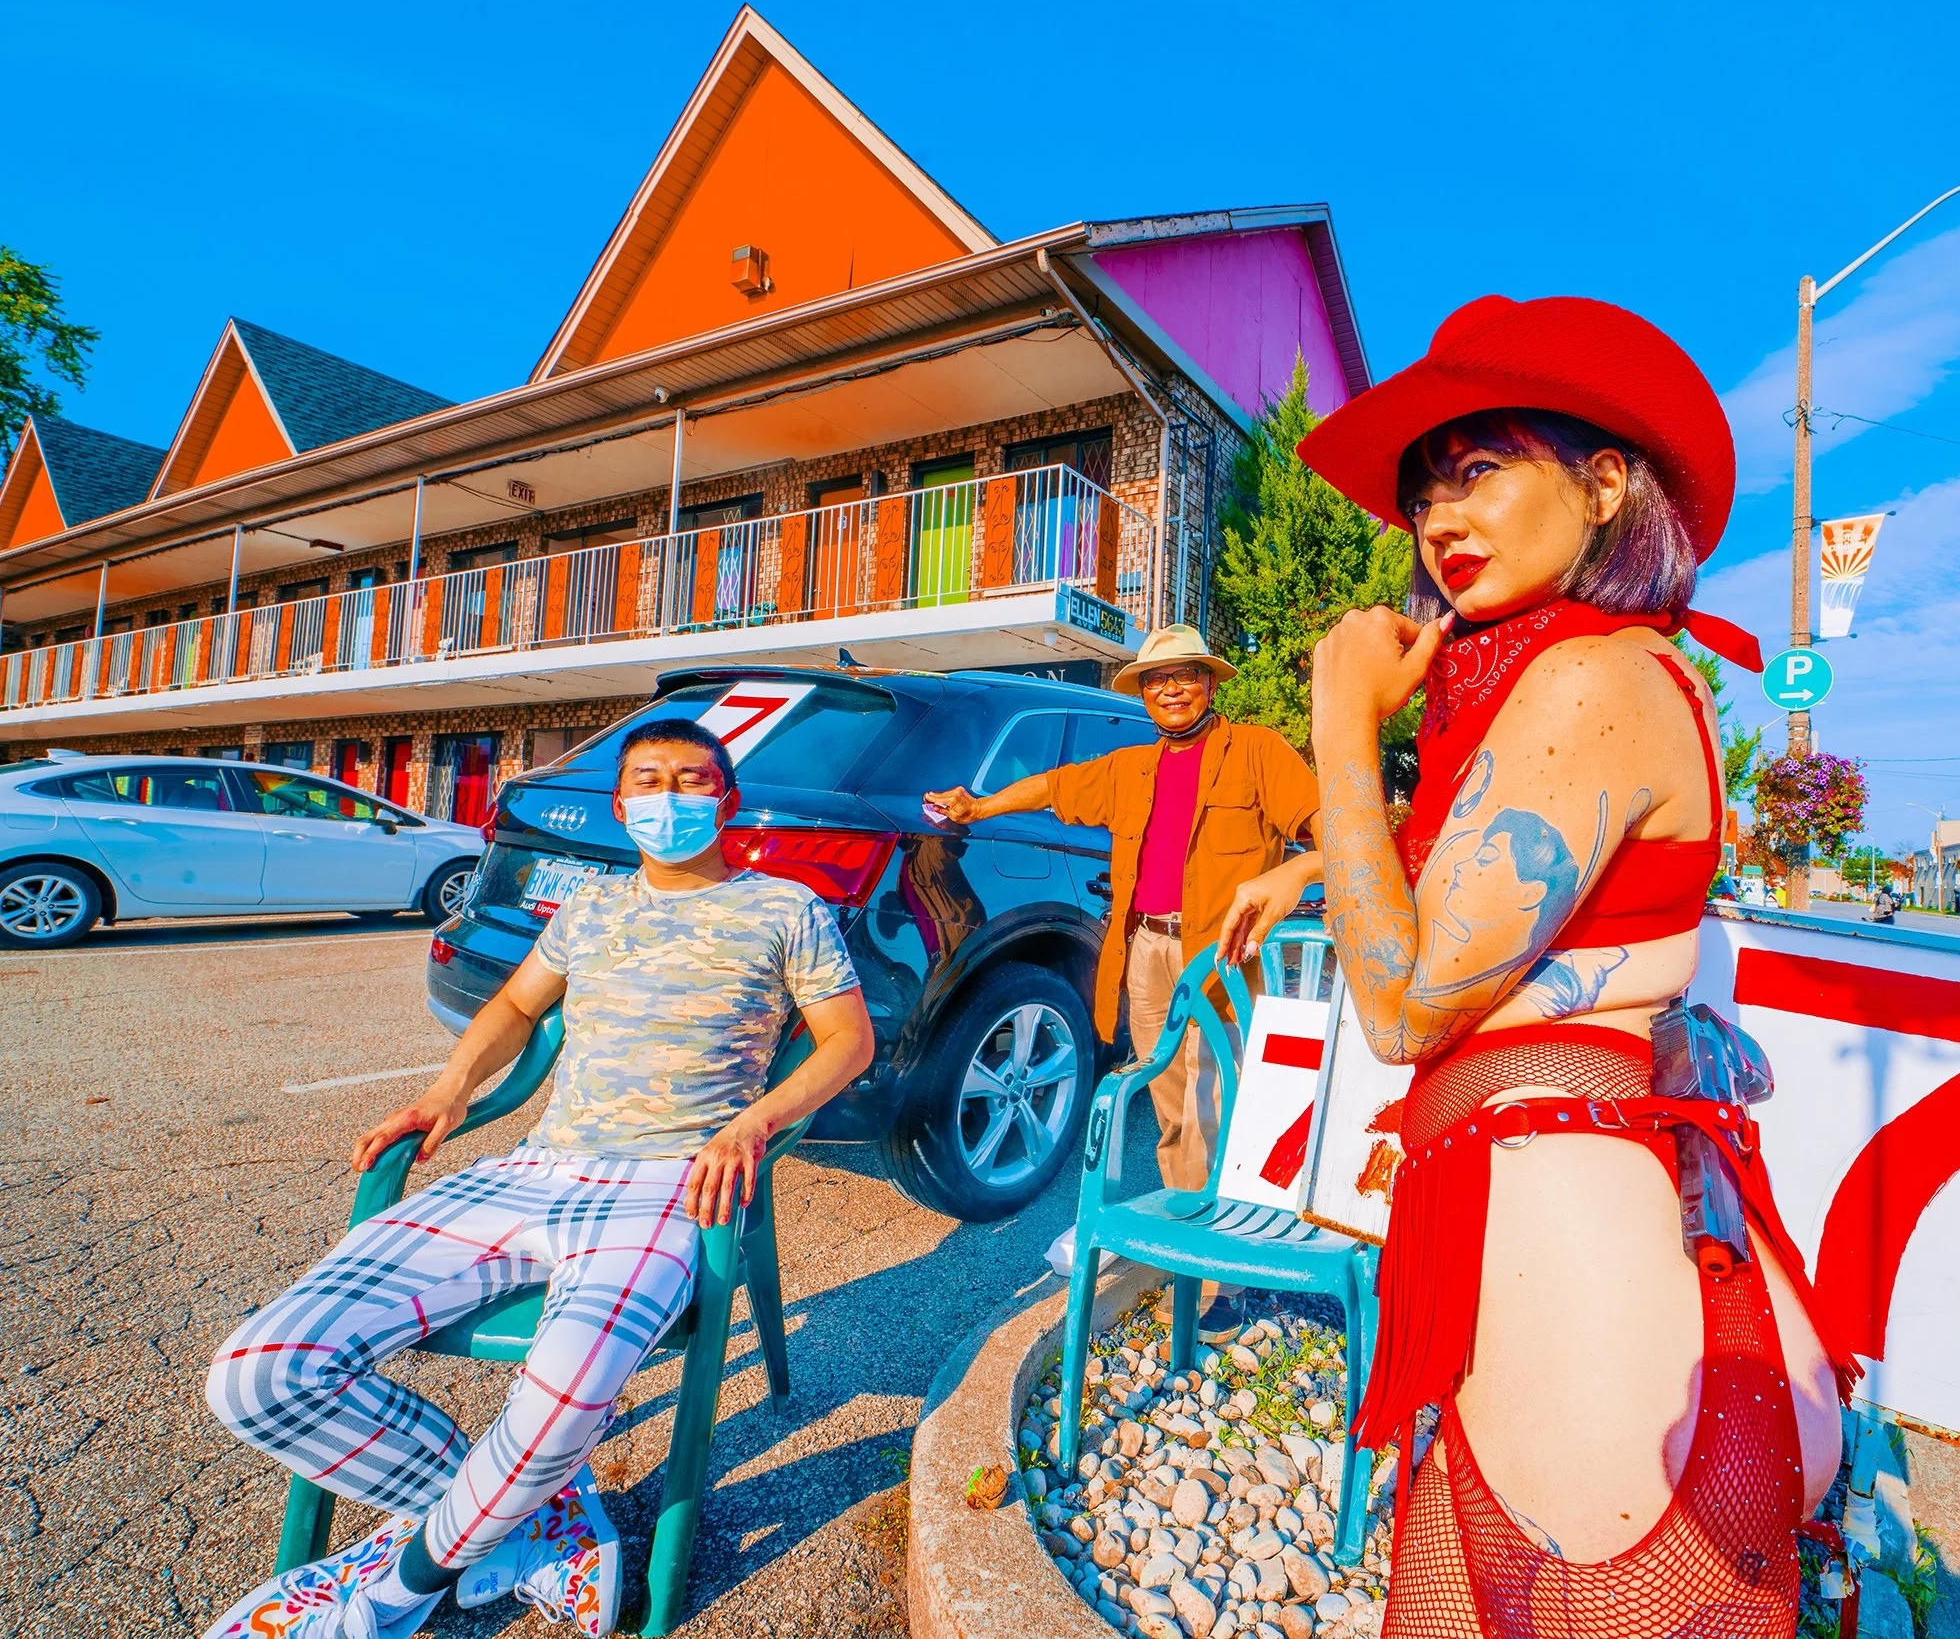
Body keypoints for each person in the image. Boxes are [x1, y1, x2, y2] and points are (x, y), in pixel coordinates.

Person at [1297, 296, 1859, 1638]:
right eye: (1428, 480)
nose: (1439, 511)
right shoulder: (1605, 672)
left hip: (1601, 1326)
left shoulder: (1591, 680)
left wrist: (1334, 712)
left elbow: (1398, 1001)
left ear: (1606, 480)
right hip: (1605, 1283)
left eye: (1481, 463)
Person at [202, 718, 876, 1639]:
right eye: (648, 780)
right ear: (620, 801)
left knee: (560, 1401)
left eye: (690, 780)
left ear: (725, 800)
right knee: (258, 1374)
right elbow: (518, 1003)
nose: (668, 797)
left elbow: (849, 1039)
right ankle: (524, 1527)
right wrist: (444, 1093)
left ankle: (396, 1593)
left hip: (667, 1187)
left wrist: (752, 1123)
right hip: (531, 1172)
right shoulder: (590, 906)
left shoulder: (784, 908)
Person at [925, 625, 1320, 1190]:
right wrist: (980, 807)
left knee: (1215, 1089)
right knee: (1169, 1097)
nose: (1172, 689)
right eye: (1158, 679)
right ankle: (1187, 1215)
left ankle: (1220, 1253)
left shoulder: (1259, 751)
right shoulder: (1129, 769)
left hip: (1220, 954)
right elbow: (1053, 787)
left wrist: (1301, 869)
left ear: (1209, 683)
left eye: (1185, 675)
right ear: (1144, 693)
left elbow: (1329, 828)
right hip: (1147, 949)